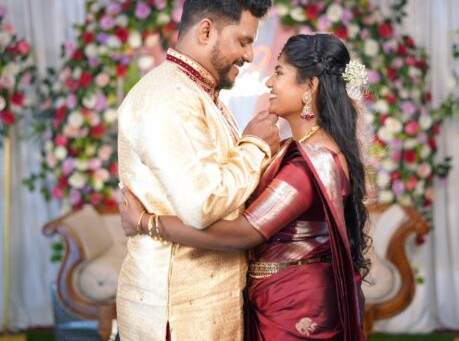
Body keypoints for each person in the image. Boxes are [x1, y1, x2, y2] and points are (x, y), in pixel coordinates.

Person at [120, 33, 370, 340]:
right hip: (278, 296)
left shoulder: (312, 162)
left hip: (296, 305)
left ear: (309, 86)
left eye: (279, 72)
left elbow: (242, 234)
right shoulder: (296, 149)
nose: (269, 82)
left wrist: (146, 223)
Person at [116, 0, 280, 341]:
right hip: (177, 314)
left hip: (204, 307)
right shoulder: (168, 98)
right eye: (243, 41)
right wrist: (255, 146)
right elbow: (202, 204)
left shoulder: (198, 92)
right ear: (205, 31)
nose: (249, 55)